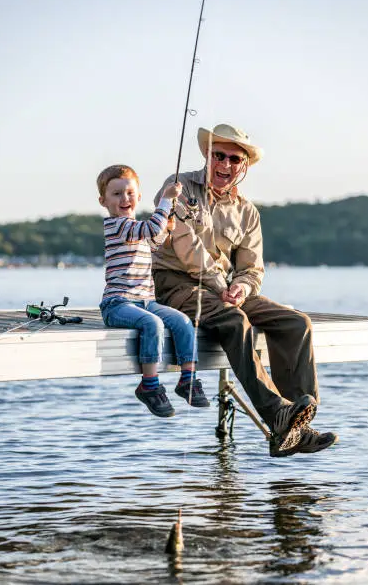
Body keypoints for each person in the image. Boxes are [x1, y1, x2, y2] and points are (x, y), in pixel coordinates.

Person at [152, 124, 338, 456]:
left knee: (298, 324)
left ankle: (296, 429)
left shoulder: (248, 211)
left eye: (234, 159)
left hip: (222, 291)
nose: (225, 164)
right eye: (218, 155)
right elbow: (186, 247)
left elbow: (252, 267)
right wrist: (224, 287)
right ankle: (277, 414)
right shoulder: (177, 187)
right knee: (235, 320)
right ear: (207, 156)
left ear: (244, 165)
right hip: (177, 285)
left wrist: (241, 286)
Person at [97, 164, 210, 418]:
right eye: (116, 194)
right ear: (103, 201)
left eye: (129, 193)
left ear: (137, 196)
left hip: (146, 300)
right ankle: (149, 385)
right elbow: (150, 229)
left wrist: (166, 227)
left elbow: (155, 241)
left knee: (182, 322)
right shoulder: (116, 226)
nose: (124, 199)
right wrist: (166, 201)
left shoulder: (135, 228)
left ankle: (188, 380)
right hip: (118, 303)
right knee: (153, 325)